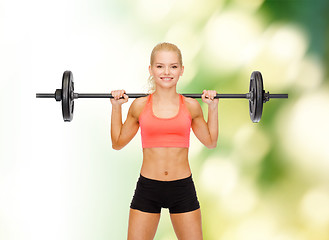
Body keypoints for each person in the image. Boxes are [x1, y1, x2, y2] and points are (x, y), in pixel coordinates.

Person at [110, 42, 219, 240]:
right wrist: (116, 107)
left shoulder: (192, 106)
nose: (166, 72)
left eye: (173, 66)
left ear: (182, 70)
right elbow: (118, 143)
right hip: (148, 188)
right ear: (151, 69)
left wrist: (212, 108)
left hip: (182, 188)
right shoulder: (139, 106)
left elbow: (210, 142)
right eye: (160, 66)